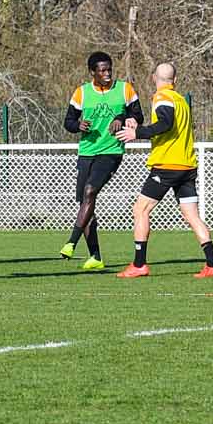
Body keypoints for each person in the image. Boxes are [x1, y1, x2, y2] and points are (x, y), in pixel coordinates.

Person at [120, 63, 213, 279]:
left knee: (140, 210)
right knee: (192, 216)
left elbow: (165, 123)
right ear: (175, 80)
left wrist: (138, 133)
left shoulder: (162, 97)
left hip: (167, 165)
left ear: (153, 78)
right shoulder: (181, 100)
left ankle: (139, 264)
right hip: (187, 166)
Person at [61, 52, 142, 272]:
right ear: (92, 72)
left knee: (90, 191)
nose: (107, 74)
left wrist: (120, 118)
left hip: (111, 152)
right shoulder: (82, 93)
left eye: (109, 70)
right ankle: (95, 256)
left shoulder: (124, 89)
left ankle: (71, 242)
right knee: (85, 203)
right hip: (87, 152)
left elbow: (138, 116)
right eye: (102, 70)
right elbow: (68, 121)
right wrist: (78, 126)